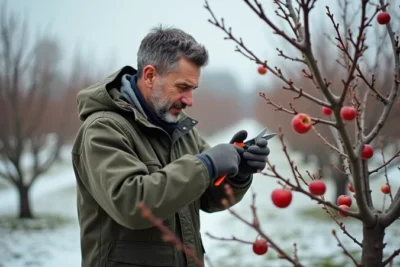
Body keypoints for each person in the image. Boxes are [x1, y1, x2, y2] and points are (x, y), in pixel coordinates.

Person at [71, 25, 270, 267]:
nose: (190, 100)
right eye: (183, 87)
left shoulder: (181, 129)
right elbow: (132, 204)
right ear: (150, 75)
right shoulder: (103, 130)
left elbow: (208, 198)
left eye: (193, 89)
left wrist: (238, 173)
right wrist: (206, 164)